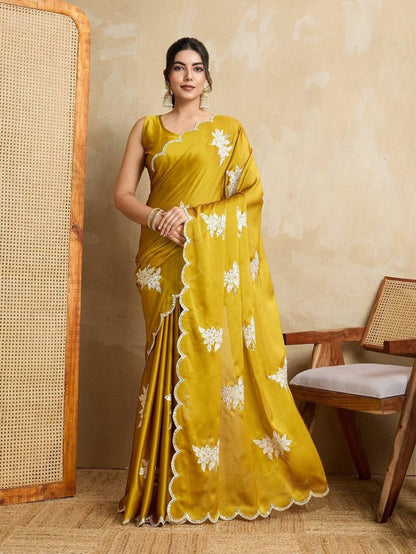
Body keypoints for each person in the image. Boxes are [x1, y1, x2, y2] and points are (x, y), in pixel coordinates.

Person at [114, 37, 328, 526]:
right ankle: (159, 489)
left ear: (207, 77)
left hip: (207, 258)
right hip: (159, 258)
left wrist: (194, 220)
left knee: (213, 361)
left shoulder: (228, 131)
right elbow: (122, 195)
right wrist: (157, 219)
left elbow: (250, 197)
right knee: (163, 364)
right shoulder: (146, 128)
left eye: (197, 68)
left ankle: (205, 485)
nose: (188, 76)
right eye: (178, 68)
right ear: (167, 77)